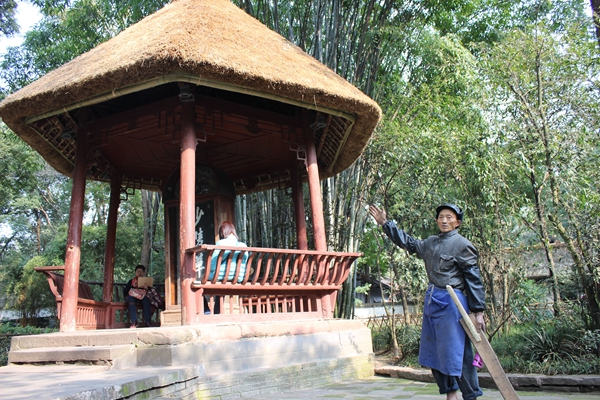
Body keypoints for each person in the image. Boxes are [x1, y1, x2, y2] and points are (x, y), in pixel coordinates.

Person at [369, 203, 486, 400]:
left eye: (449, 217)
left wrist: (479, 311)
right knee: (435, 352)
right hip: (432, 301)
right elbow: (408, 243)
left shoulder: (462, 245)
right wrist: (385, 224)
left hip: (453, 304)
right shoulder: (430, 243)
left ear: (457, 223)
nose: (444, 220)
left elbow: (473, 279)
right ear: (436, 220)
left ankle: (471, 395)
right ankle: (450, 394)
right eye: (441, 217)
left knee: (457, 352)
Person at [205, 221, 248, 314]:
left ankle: (206, 311)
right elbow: (245, 264)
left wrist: (208, 273)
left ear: (223, 232)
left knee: (195, 284)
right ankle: (217, 312)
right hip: (238, 278)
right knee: (221, 288)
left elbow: (212, 266)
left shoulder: (220, 244)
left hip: (220, 277)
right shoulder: (243, 245)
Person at [124, 264, 152, 328]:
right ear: (135, 272)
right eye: (138, 271)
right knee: (130, 300)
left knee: (147, 301)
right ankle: (134, 321)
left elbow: (151, 291)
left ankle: (147, 321)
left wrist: (146, 288)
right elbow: (125, 291)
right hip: (133, 295)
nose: (139, 273)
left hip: (142, 296)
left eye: (141, 271)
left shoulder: (146, 281)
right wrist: (132, 286)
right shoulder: (131, 281)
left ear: (143, 273)